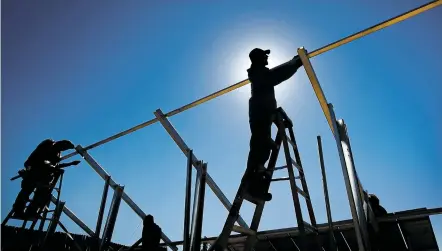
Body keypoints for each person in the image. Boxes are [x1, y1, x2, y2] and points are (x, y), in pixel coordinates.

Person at [245, 48, 305, 201]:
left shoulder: (261, 73)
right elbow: (277, 75)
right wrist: (295, 64)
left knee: (263, 150)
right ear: (259, 59)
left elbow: (275, 74)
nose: (267, 58)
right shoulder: (259, 74)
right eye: (264, 56)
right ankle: (251, 186)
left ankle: (256, 185)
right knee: (260, 148)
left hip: (264, 111)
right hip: (260, 112)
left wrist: (292, 62)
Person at [12, 139, 81, 218]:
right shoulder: (48, 144)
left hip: (43, 175)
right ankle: (18, 210)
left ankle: (32, 211)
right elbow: (39, 159)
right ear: (61, 144)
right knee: (26, 191)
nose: (63, 149)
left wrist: (70, 163)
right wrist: (50, 166)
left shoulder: (57, 154)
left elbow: (55, 166)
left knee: (42, 193)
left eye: (65, 149)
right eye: (64, 147)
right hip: (34, 171)